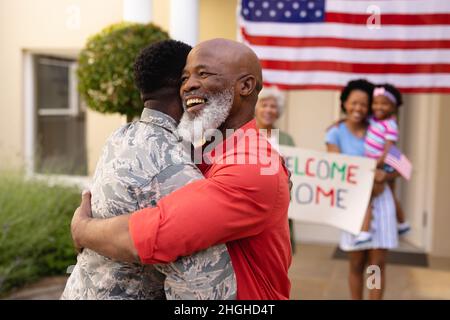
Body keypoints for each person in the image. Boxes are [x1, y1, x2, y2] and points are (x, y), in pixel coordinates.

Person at [70, 38, 292, 300]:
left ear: (245, 86)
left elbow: (151, 236)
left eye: (203, 73)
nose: (188, 86)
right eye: (184, 77)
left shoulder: (252, 165)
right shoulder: (205, 150)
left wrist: (82, 229)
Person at [326, 79, 399, 300]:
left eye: (363, 104)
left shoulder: (379, 128)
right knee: (357, 263)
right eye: (353, 103)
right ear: (345, 103)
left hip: (380, 201)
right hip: (354, 203)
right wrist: (367, 177)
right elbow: (335, 167)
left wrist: (386, 175)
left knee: (376, 264)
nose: (358, 108)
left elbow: (400, 165)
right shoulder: (335, 133)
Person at [355, 83, 410, 245]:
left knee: (368, 195)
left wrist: (377, 163)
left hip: (383, 162)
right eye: (376, 103)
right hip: (375, 161)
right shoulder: (373, 119)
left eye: (384, 103)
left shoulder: (391, 124)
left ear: (393, 107)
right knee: (391, 193)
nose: (379, 107)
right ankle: (403, 224)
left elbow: (389, 148)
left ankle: (365, 232)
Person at [255, 86, 297, 253]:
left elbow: (295, 170)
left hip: (280, 205)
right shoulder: (245, 134)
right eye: (264, 105)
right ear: (256, 108)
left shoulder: (286, 139)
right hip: (255, 204)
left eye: (273, 106)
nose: (268, 110)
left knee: (278, 254)